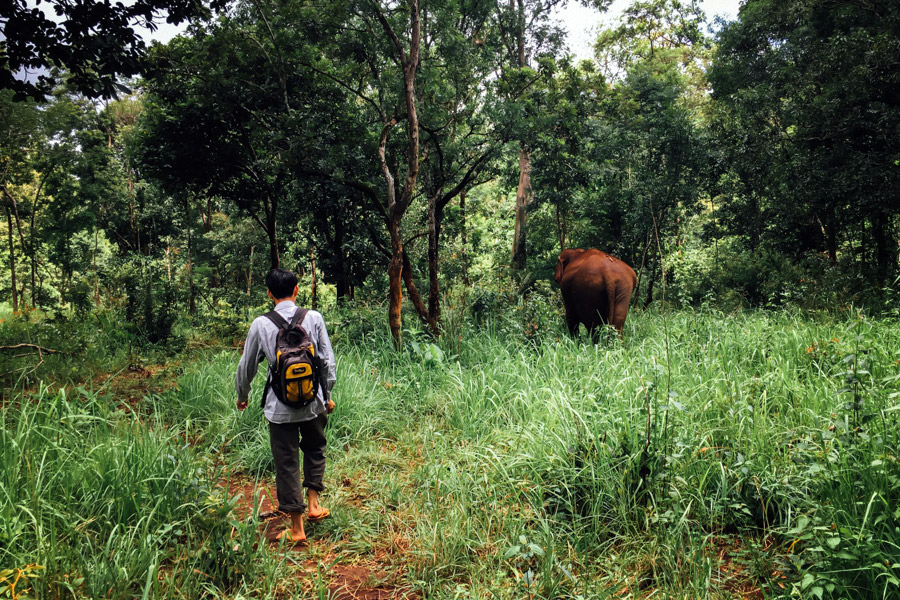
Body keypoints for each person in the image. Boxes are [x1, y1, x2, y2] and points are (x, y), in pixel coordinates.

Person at [235, 267, 336, 544]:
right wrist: (326, 395)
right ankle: (314, 505)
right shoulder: (313, 317)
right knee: (315, 448)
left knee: (286, 461)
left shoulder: (261, 323)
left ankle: (297, 528)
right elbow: (327, 361)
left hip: (278, 407)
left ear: (269, 294)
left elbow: (247, 366)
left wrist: (242, 394)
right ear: (296, 290)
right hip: (313, 402)